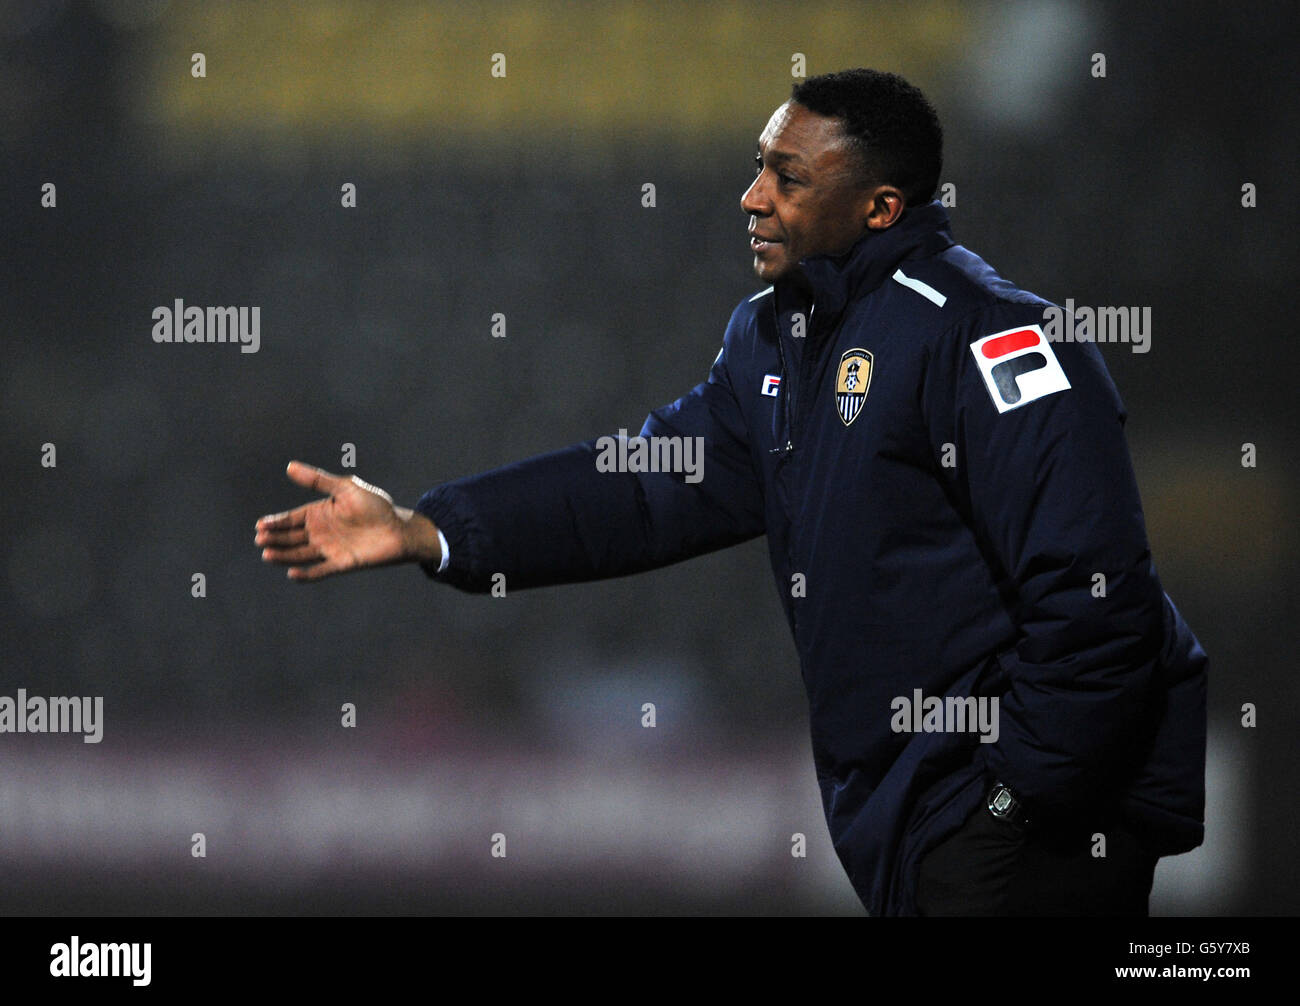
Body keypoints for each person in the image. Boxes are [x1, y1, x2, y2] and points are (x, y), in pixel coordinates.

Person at [254, 69, 1206, 916]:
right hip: (915, 817)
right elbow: (641, 487)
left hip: (1022, 829)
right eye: (758, 166)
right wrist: (429, 529)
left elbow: (1099, 605)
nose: (752, 197)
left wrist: (1014, 798)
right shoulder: (774, 340)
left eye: (788, 178)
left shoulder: (992, 341)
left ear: (880, 207)